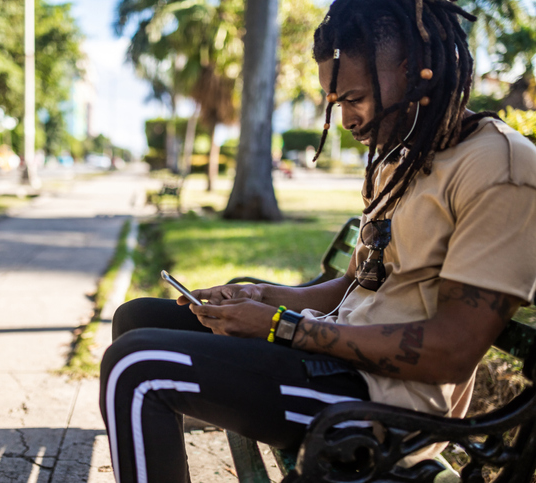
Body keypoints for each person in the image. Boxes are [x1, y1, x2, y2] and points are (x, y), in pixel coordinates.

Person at [99, 0, 536, 481]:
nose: (346, 120)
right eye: (337, 104)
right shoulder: (403, 159)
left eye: (355, 98)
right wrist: (264, 297)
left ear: (414, 70)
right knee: (136, 317)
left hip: (383, 409)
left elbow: (452, 350)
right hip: (334, 366)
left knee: (137, 368)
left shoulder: (502, 169)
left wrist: (280, 327)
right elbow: (353, 286)